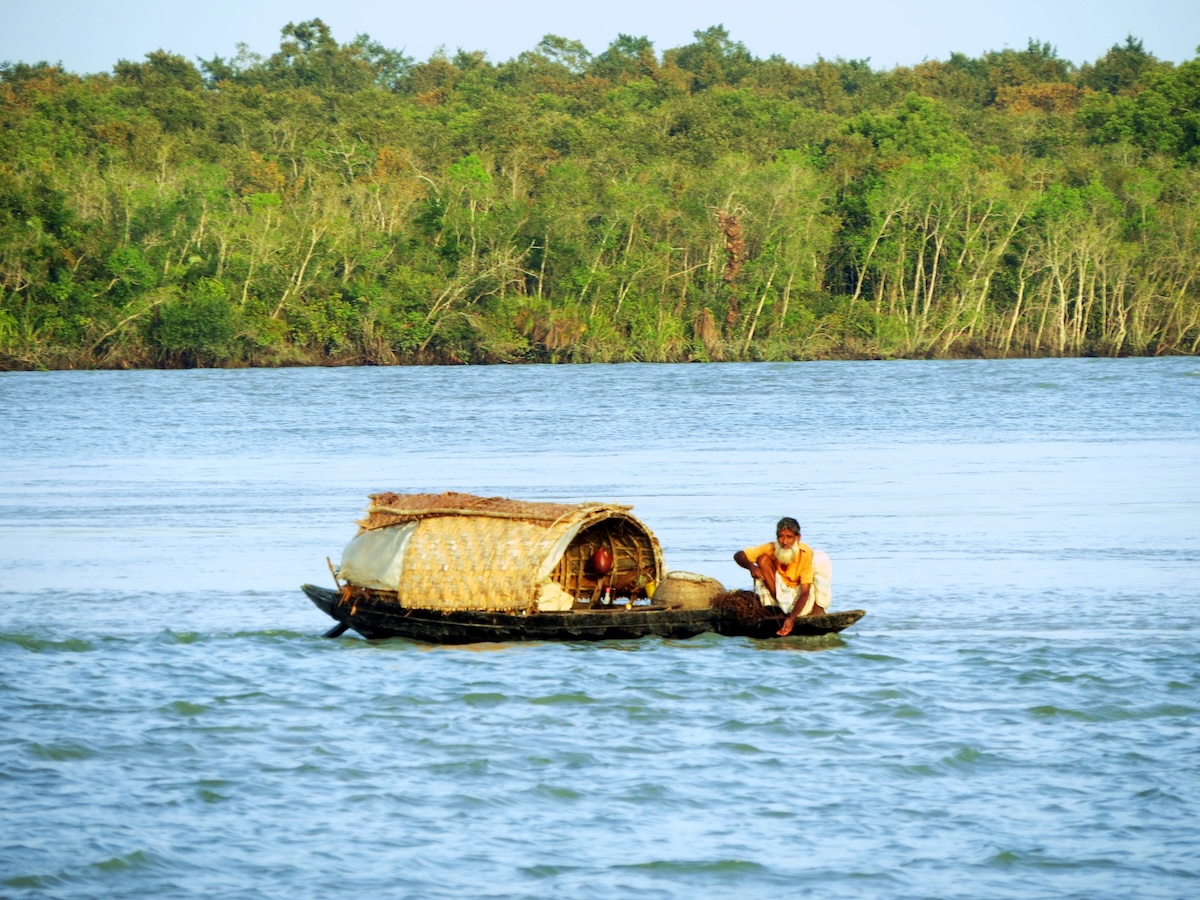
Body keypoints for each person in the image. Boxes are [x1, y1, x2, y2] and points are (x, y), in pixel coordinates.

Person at [734, 517, 826, 636]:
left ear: (798, 538)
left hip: (799, 597)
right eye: (781, 536)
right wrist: (752, 567)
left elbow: (805, 592)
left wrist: (791, 619)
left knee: (822, 558)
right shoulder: (771, 547)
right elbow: (738, 555)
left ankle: (817, 609)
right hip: (779, 593)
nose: (784, 541)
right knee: (762, 559)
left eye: (789, 537)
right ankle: (779, 609)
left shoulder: (804, 555)